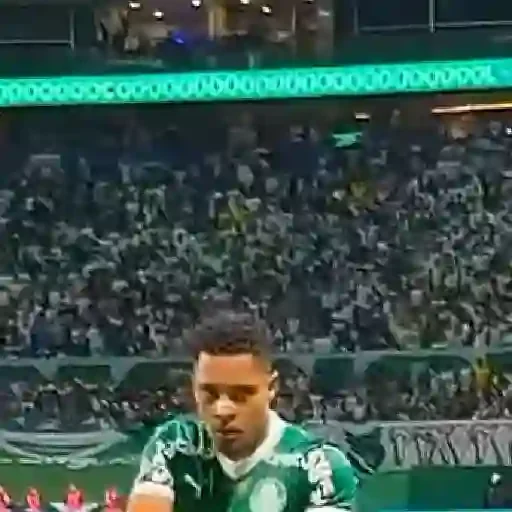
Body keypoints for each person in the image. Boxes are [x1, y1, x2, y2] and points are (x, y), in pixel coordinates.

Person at [127, 310, 358, 512]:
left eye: (241, 395)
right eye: (209, 394)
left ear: (271, 388)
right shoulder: (175, 445)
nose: (223, 410)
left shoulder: (318, 467)